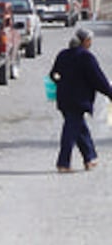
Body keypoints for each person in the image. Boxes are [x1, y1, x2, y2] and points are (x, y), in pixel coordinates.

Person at [49, 26, 112, 173]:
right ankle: (63, 163)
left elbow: (53, 74)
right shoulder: (86, 57)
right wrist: (110, 93)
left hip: (64, 99)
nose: (91, 43)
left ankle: (89, 158)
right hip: (78, 100)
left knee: (79, 128)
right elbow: (98, 79)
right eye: (90, 40)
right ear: (85, 41)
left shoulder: (63, 54)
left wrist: (62, 82)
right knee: (70, 131)